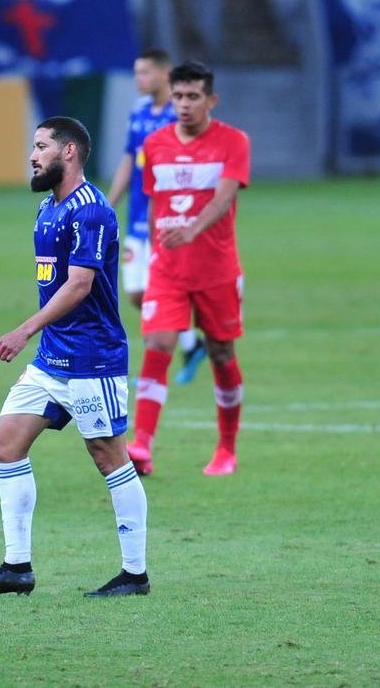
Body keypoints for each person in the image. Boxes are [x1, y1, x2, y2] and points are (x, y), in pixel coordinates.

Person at [0, 116, 149, 598]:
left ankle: (135, 573)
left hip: (92, 360)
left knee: (108, 456)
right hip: (52, 360)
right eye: (33, 146)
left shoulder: (91, 210)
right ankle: (16, 568)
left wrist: (24, 329)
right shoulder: (47, 209)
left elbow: (80, 285)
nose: (32, 155)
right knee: (7, 444)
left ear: (69, 152)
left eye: (42, 146)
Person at [126, 61, 250, 477]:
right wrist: (144, 247)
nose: (183, 104)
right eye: (178, 96)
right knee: (158, 345)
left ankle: (226, 449)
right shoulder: (156, 145)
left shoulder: (233, 142)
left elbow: (224, 198)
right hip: (167, 270)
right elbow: (152, 202)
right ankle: (141, 445)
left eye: (193, 96)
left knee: (221, 352)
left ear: (210, 100)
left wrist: (191, 230)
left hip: (217, 270)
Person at [107, 48, 207, 386]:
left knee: (161, 293)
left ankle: (154, 371)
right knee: (137, 293)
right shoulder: (138, 111)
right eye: (136, 73)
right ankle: (192, 342)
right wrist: (109, 203)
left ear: (165, 75)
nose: (139, 80)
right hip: (137, 215)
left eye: (144, 73)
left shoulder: (179, 118)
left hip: (167, 221)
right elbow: (128, 158)